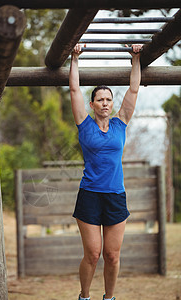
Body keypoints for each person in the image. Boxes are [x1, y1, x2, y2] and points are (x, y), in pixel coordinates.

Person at [69, 43, 142, 300]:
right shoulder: (84, 124)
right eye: (100, 99)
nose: (105, 103)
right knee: (93, 254)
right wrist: (74, 58)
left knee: (112, 255)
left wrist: (135, 59)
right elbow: (74, 89)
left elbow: (134, 89)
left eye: (108, 99)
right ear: (92, 104)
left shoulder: (120, 124)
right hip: (89, 195)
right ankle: (84, 296)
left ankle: (109, 298)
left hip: (115, 195)